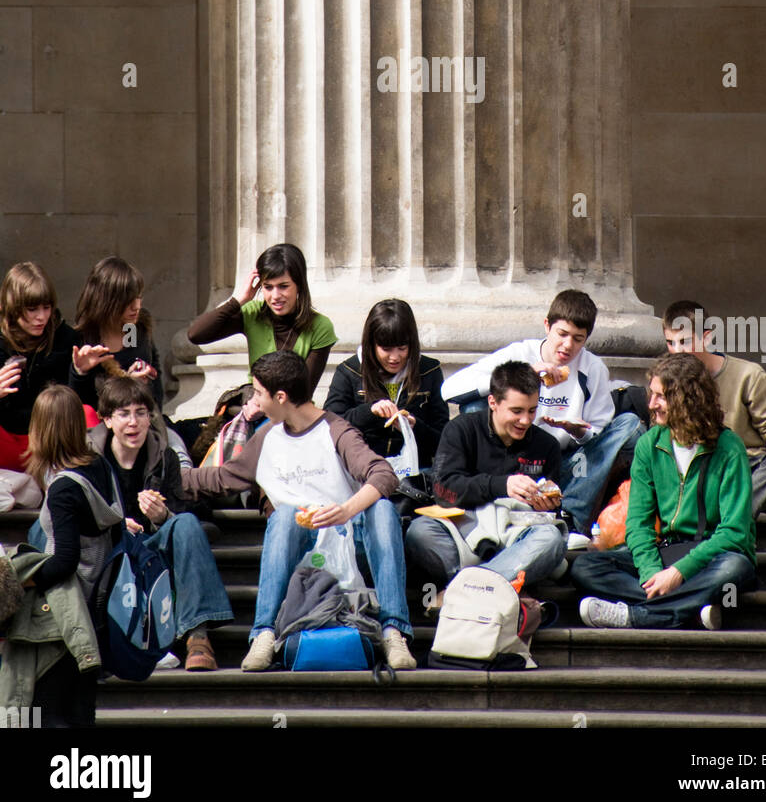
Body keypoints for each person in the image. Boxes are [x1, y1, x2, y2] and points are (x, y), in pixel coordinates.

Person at [179, 350, 416, 672]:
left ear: (281, 396)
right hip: (299, 546)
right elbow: (223, 477)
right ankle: (263, 632)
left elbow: (383, 474)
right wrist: (162, 476)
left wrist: (347, 510)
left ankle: (393, 631)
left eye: (260, 394)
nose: (256, 403)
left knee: (383, 510)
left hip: (348, 543)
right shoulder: (267, 436)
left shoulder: (335, 429)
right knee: (285, 514)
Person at [571, 353, 756, 630]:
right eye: (652, 394)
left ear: (686, 401)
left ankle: (639, 615)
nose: (651, 404)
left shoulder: (729, 449)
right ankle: (687, 608)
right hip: (665, 551)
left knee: (734, 570)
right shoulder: (649, 444)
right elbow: (638, 524)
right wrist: (653, 574)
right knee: (585, 568)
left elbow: (734, 532)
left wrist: (679, 573)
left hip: (711, 555)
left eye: (661, 397)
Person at [441, 290, 642, 546]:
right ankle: (487, 506)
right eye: (562, 334)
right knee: (476, 407)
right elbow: (450, 390)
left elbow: (598, 427)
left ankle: (569, 517)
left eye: (578, 339)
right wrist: (524, 374)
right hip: (515, 458)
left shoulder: (593, 369)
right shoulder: (521, 353)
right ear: (547, 326)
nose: (568, 346)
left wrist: (579, 431)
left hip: (566, 460)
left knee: (629, 426)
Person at [85, 376, 233, 670]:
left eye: (141, 413)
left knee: (187, 524)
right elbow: (75, 514)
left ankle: (198, 636)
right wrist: (114, 523)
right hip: (109, 551)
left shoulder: (163, 456)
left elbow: (180, 508)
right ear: (107, 420)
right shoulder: (89, 458)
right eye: (124, 414)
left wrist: (162, 516)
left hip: (150, 550)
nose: (134, 423)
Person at [405, 361, 565, 591]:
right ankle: (493, 585)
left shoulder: (547, 445)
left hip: (516, 537)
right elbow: (442, 490)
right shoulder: (461, 430)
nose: (526, 420)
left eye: (532, 410)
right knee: (420, 532)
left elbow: (549, 513)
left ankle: (468, 588)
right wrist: (502, 485)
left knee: (551, 538)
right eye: (516, 411)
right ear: (493, 402)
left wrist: (546, 505)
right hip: (464, 531)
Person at [21, 384, 125, 724]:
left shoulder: (64, 488)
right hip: (96, 606)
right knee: (81, 710)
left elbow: (64, 559)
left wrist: (25, 579)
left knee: (48, 711)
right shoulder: (100, 467)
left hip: (63, 612)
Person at [663, 299, 766, 517]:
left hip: (746, 467)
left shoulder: (748, 375)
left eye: (685, 341)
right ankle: (729, 518)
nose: (678, 351)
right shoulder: (666, 379)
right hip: (700, 469)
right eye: (671, 343)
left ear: (706, 337)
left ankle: (722, 519)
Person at [188, 243, 335, 396]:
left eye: (283, 286)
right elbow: (196, 334)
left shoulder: (320, 326)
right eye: (268, 287)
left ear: (299, 285)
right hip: (253, 405)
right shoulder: (252, 314)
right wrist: (239, 300)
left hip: (293, 413)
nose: (275, 296)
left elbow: (303, 392)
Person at [0, 262, 102, 471]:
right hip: (11, 441)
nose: (41, 317)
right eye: (32, 309)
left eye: (46, 308)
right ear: (13, 307)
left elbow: (81, 404)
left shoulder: (66, 339)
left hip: (54, 442)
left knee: (88, 414)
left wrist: (80, 373)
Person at [324, 299, 448, 465]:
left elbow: (444, 441)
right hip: (362, 471)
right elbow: (330, 427)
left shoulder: (429, 371)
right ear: (371, 345)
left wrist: (415, 427)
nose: (395, 357)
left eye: (402, 348)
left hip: (416, 474)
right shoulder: (349, 371)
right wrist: (370, 412)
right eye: (386, 349)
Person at [74, 256, 164, 407]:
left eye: (138, 297)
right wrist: (80, 372)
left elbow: (154, 382)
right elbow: (79, 403)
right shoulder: (83, 340)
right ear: (106, 301)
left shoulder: (134, 330)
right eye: (127, 301)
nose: (136, 307)